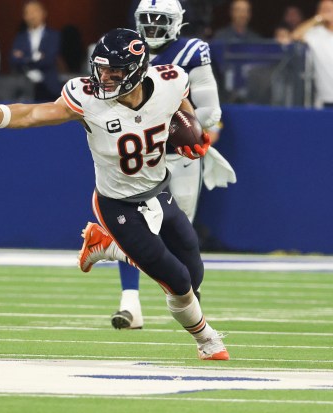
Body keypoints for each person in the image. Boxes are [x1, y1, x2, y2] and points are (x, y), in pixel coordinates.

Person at [0, 28, 229, 361]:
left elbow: (181, 106)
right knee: (178, 280)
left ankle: (104, 245)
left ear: (138, 70)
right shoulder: (87, 98)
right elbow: (33, 114)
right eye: (101, 69)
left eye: (115, 71)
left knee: (192, 263)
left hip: (157, 189)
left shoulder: (170, 81)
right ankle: (208, 341)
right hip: (117, 203)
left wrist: (190, 131)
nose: (105, 78)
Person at [79, 0, 234, 330]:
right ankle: (130, 302)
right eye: (146, 19)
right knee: (133, 229)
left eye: (159, 19)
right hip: (136, 157)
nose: (151, 26)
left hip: (179, 156)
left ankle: (191, 295)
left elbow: (209, 112)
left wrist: (179, 131)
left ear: (177, 22)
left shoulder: (191, 50)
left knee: (180, 238)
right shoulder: (122, 49)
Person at [10, 0, 61, 101]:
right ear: (24, 17)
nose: (32, 15)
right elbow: (13, 60)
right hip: (24, 85)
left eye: (35, 11)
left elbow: (49, 60)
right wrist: (36, 58)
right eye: (28, 12)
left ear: (44, 13)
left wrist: (25, 59)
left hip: (48, 86)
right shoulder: (20, 37)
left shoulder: (53, 35)